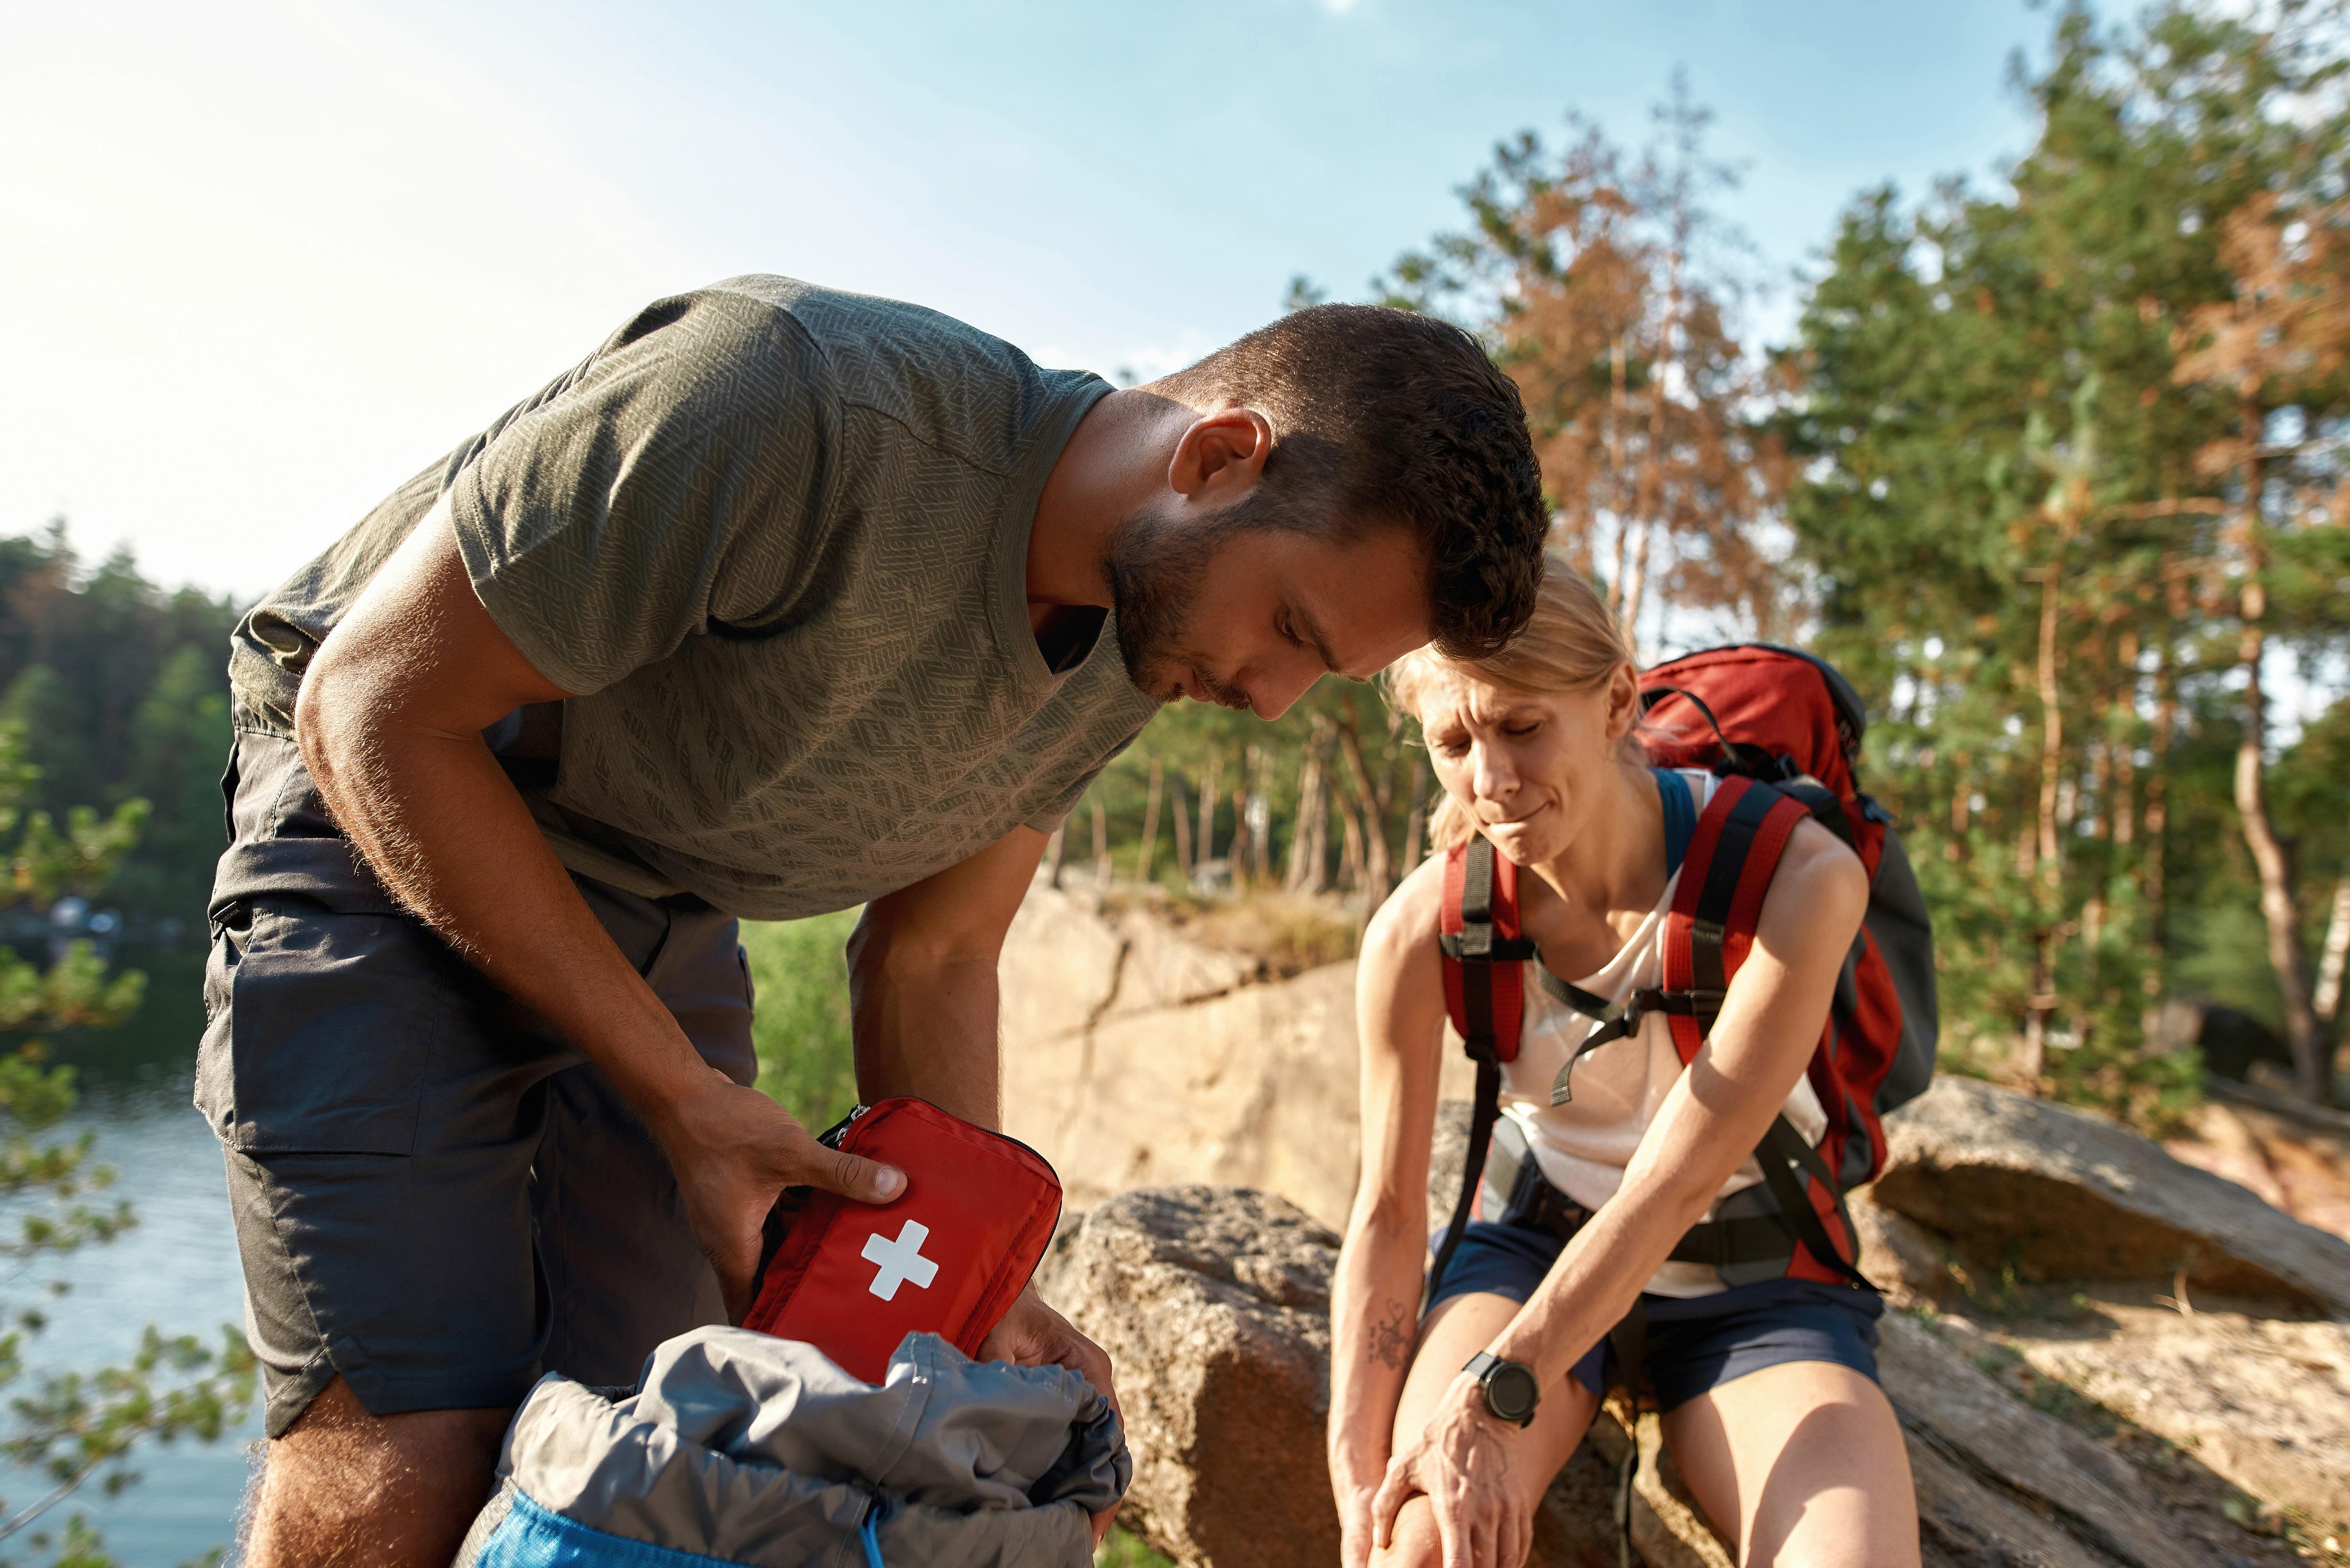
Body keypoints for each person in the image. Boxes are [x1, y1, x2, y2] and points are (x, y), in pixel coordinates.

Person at [200, 275, 1549, 1567]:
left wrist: (976, 1279)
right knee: (413, 1442)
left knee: (664, 1447)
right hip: (385, 820)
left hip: (663, 906)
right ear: (1217, 459)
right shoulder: (790, 399)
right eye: (1293, 630)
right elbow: (369, 702)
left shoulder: (1142, 631)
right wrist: (679, 1092)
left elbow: (935, 951)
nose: (1267, 698)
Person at [1326, 559, 1920, 1568]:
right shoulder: (1421, 928)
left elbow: (1680, 1176)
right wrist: (1358, 1474)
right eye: (1455, 742)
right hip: (1529, 1252)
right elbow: (1386, 1212)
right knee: (1419, 1552)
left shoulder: (1796, 876)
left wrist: (1489, 1394)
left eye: (1522, 727)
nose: (1493, 781)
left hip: (1755, 1275)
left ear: (1614, 700)